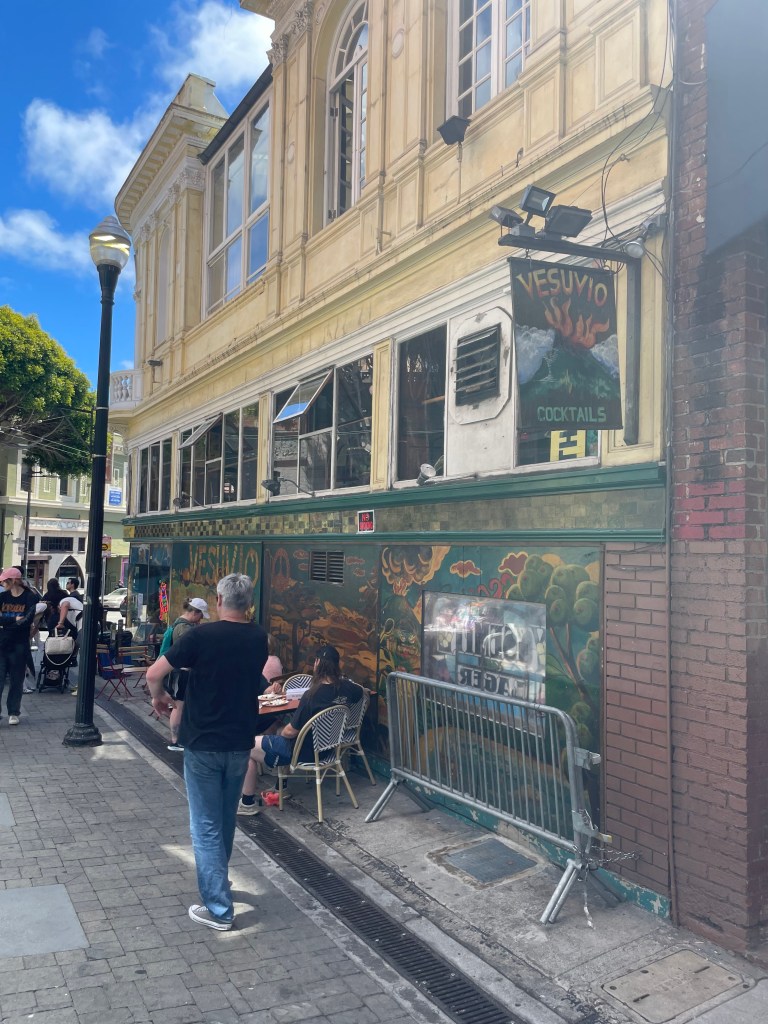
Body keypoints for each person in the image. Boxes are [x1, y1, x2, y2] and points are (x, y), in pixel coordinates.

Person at [146, 573, 267, 931]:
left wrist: (159, 699)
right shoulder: (259, 637)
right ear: (248, 603)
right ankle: (220, 885)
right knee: (224, 820)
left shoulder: (200, 636)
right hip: (239, 741)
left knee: (205, 825)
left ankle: (218, 908)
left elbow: (155, 673)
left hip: (202, 742)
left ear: (218, 599)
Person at [238, 644, 362, 815]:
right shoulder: (348, 688)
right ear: (336, 664)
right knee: (278, 732)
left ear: (317, 663)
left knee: (247, 746)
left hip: (301, 752)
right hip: (330, 750)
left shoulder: (312, 695)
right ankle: (282, 787)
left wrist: (281, 732)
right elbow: (361, 692)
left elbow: (290, 732)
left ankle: (247, 803)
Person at [160, 597, 210, 752]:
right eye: (201, 615)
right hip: (182, 673)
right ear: (195, 612)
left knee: (179, 706)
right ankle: (176, 740)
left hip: (178, 673)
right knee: (179, 706)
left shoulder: (178, 623)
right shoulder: (185, 629)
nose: (201, 619)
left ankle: (178, 738)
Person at [0, 567, 38, 725]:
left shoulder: (30, 597)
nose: (2, 583)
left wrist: (6, 622)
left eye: (4, 581)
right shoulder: (2, 597)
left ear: (13, 580)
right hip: (2, 644)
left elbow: (27, 621)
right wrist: (14, 620)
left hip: (19, 645)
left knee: (16, 680)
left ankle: (13, 712)